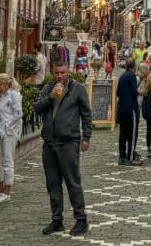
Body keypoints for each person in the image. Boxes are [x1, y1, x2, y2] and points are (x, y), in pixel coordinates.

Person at [34, 60, 93, 236]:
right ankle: (57, 219)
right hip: (50, 143)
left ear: (69, 72)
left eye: (63, 72)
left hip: (69, 142)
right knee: (52, 183)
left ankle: (81, 219)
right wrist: (50, 98)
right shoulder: (48, 88)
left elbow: (86, 114)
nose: (60, 76)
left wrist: (86, 137)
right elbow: (37, 108)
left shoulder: (78, 89)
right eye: (57, 73)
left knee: (72, 182)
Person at [0, 73, 23, 203]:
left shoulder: (14, 95)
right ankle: (0, 189)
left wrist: (8, 127)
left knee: (7, 161)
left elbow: (18, 114)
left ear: (6, 84)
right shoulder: (2, 96)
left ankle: (7, 191)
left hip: (9, 133)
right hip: (0, 132)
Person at [116, 59, 142, 165]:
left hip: (121, 108)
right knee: (132, 134)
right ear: (134, 67)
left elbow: (117, 92)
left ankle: (122, 157)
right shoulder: (131, 76)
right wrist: (140, 92)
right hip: (131, 108)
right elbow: (133, 91)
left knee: (122, 134)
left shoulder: (122, 76)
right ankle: (130, 157)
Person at [136, 61, 151, 159]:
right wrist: (140, 92)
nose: (148, 71)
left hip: (147, 104)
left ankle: (149, 146)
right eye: (147, 69)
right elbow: (134, 89)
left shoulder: (149, 78)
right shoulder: (138, 78)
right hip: (139, 103)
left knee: (149, 126)